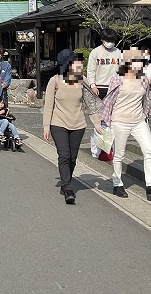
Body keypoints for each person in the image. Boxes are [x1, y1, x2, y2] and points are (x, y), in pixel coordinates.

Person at [102, 48, 151, 201]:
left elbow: (146, 99)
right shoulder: (117, 79)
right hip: (120, 121)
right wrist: (105, 122)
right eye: (138, 61)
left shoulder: (144, 79)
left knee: (149, 150)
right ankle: (117, 184)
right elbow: (109, 101)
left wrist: (144, 116)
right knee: (119, 154)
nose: (141, 64)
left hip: (138, 121)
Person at [43, 53, 102, 204]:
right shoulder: (55, 80)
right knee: (64, 155)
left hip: (78, 124)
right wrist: (46, 127)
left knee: (72, 158)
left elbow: (91, 104)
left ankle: (65, 181)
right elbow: (48, 105)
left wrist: (97, 124)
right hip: (58, 123)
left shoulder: (82, 81)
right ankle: (68, 188)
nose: (80, 67)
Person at [86, 28, 121, 100]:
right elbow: (91, 70)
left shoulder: (118, 52)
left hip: (114, 87)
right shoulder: (95, 52)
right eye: (108, 40)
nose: (110, 43)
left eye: (112, 41)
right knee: (99, 110)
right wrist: (92, 85)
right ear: (102, 39)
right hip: (99, 87)